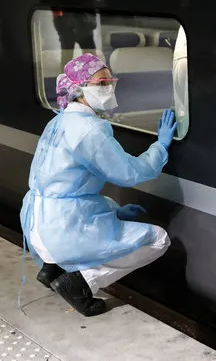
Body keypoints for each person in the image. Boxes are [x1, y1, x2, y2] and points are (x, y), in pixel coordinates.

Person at [19, 53, 177, 317]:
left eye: (110, 80)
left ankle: (52, 269)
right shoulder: (90, 130)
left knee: (109, 213)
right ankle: (79, 282)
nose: (109, 87)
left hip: (37, 222)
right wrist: (160, 147)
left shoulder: (59, 120)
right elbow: (130, 173)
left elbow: (66, 188)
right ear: (79, 89)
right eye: (101, 83)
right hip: (61, 230)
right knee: (158, 240)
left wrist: (113, 212)